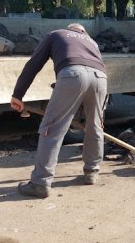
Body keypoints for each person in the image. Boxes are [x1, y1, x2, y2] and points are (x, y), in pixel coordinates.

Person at [10, 23, 108, 198]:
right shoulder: (92, 42)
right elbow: (94, 66)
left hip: (73, 74)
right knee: (95, 126)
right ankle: (92, 172)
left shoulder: (55, 34)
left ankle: (40, 182)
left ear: (70, 29)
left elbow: (34, 64)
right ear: (82, 32)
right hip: (100, 79)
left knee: (52, 128)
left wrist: (18, 94)